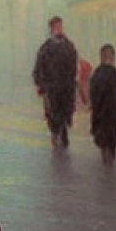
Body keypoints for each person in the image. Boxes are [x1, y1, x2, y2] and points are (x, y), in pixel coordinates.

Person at [32, 15, 78, 149]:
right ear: (51, 29)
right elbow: (39, 67)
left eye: (60, 26)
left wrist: (73, 80)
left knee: (66, 110)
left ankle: (63, 130)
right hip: (51, 87)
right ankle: (55, 133)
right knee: (53, 112)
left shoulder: (69, 45)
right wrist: (40, 84)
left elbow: (73, 65)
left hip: (66, 86)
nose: (59, 29)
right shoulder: (46, 48)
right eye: (56, 27)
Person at [88, 44, 116, 164]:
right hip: (103, 113)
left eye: (110, 55)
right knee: (105, 138)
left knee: (109, 138)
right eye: (106, 55)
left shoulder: (113, 74)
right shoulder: (101, 74)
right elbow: (93, 92)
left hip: (110, 113)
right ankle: (107, 155)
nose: (108, 57)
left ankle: (108, 154)